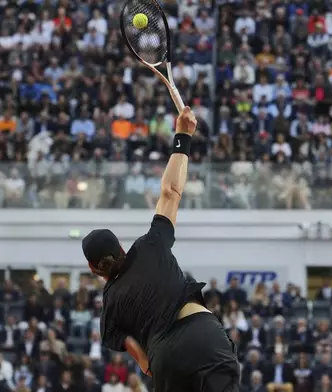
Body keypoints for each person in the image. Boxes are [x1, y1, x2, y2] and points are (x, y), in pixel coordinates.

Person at [81, 107, 240, 392]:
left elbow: (144, 363)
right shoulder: (150, 244)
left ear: (93, 268)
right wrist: (182, 136)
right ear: (121, 248)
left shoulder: (110, 308)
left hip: (165, 356)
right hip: (202, 333)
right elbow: (170, 192)